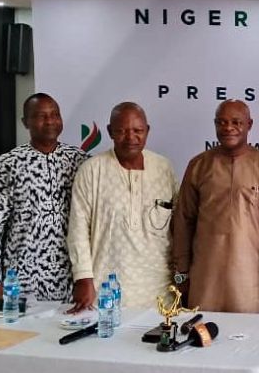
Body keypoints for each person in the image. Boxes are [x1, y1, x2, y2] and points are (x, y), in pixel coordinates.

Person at [66, 102, 178, 311]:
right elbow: (78, 229)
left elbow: (178, 225)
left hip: (160, 289)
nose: (131, 138)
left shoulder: (164, 168)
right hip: (106, 290)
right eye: (121, 131)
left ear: (147, 131)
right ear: (110, 132)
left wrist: (181, 276)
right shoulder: (92, 170)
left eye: (138, 131)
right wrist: (83, 277)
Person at [171, 100, 259, 313]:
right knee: (200, 336)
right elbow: (183, 220)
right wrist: (181, 272)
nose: (228, 128)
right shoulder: (199, 165)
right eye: (222, 122)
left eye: (236, 122)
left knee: (247, 338)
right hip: (205, 276)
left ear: (249, 124)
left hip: (250, 279)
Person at [0, 93, 88, 302]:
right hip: (23, 276)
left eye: (55, 114)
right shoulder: (10, 163)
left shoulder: (79, 160)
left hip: (70, 274)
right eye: (41, 116)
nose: (49, 121)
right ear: (25, 122)